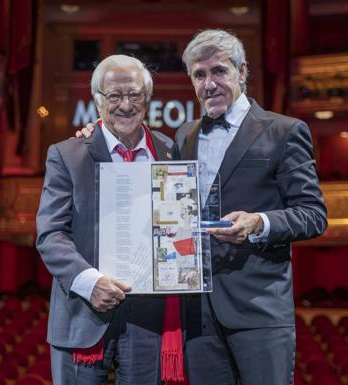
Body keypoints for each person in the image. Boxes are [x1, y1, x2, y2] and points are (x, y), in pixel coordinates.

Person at [77, 29, 327, 385]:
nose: (209, 83)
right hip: (196, 312)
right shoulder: (185, 135)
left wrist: (259, 222)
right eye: (199, 74)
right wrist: (95, 132)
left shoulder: (285, 131)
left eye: (219, 71)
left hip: (258, 311)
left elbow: (314, 215)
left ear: (242, 72)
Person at [36, 54, 184, 385]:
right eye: (114, 95)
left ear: (147, 99)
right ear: (98, 101)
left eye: (134, 94)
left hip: (149, 320)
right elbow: (50, 236)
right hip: (83, 314)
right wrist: (91, 283)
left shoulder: (171, 152)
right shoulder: (66, 155)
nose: (125, 105)